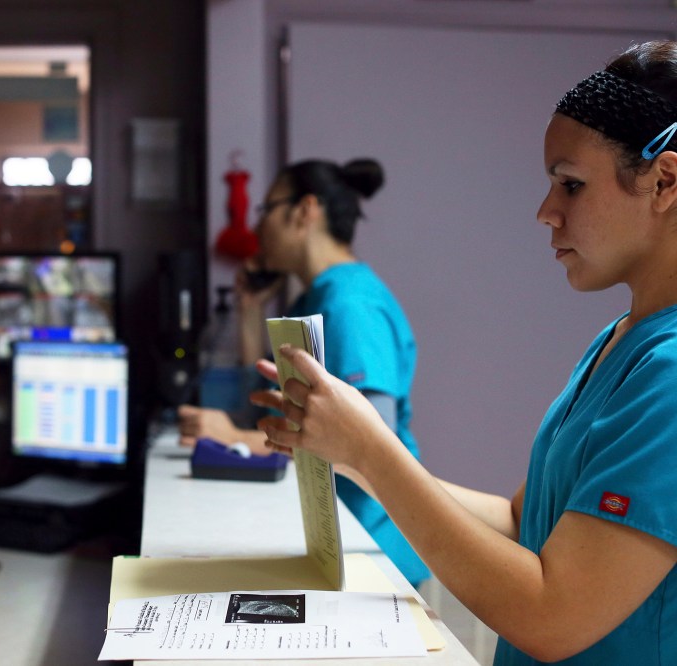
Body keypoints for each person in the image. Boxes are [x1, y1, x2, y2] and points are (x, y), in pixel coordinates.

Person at [254, 40, 677, 665]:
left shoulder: (669, 373)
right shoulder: (618, 342)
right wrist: (353, 458)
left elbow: (552, 617)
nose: (545, 212)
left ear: (664, 181)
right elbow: (517, 520)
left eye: (571, 185)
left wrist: (374, 449)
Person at [178, 158, 430, 588]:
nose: (258, 228)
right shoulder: (314, 298)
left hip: (374, 550)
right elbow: (259, 400)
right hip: (341, 539)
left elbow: (372, 441)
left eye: (266, 210)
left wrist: (236, 441)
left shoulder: (350, 307)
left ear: (303, 211)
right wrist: (250, 310)